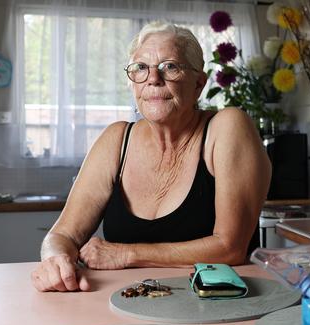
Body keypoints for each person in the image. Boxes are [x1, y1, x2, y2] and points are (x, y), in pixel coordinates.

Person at [31, 21, 272, 292]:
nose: (153, 79)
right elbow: (61, 235)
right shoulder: (116, 139)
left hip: (221, 304)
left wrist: (125, 254)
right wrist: (55, 260)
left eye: (170, 66)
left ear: (198, 84)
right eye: (141, 68)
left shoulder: (227, 127)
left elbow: (230, 248)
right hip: (130, 301)